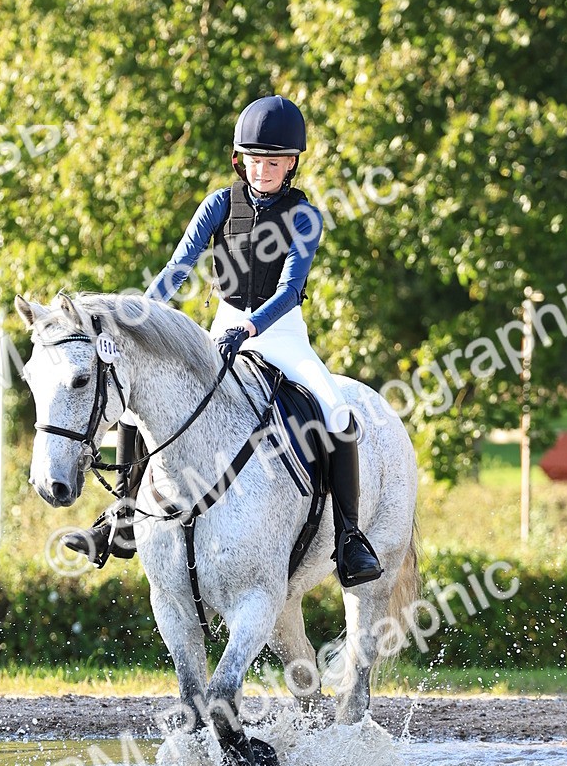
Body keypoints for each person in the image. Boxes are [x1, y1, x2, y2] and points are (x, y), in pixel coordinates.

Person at [68, 94, 382, 586]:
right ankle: (123, 516)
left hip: (279, 333)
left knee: (336, 411)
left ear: (291, 164)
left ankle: (349, 538)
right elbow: (179, 266)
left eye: (274, 162)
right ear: (241, 160)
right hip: (223, 327)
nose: (264, 170)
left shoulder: (304, 217)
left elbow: (290, 288)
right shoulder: (219, 203)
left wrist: (251, 327)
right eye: (256, 160)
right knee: (135, 405)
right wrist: (139, 315)